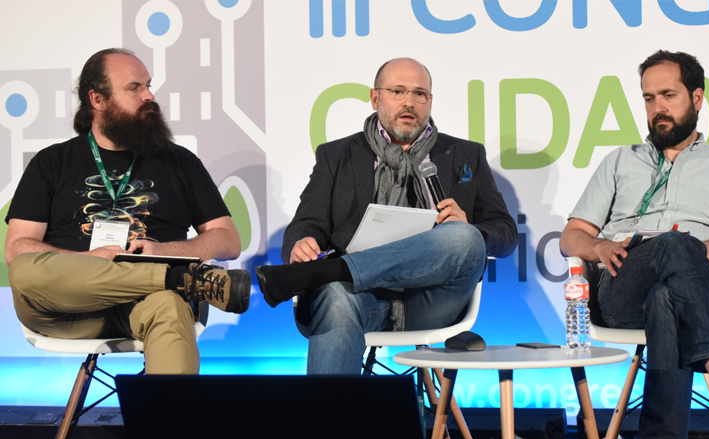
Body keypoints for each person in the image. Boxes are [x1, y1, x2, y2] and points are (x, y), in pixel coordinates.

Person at [560, 50, 709, 439]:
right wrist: (598, 246)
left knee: (666, 296)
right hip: (626, 282)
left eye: (668, 95)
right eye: (649, 98)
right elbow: (571, 237)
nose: (657, 108)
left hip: (705, 288)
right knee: (672, 243)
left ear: (697, 99)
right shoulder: (619, 161)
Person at [255, 57, 517, 374]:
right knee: (336, 296)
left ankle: (330, 272)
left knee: (465, 237)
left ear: (430, 101)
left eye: (420, 94)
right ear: (376, 97)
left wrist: (472, 228)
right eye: (398, 91)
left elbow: (505, 232)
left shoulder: (465, 154)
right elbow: (306, 223)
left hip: (432, 300)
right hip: (359, 298)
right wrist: (300, 244)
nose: (410, 102)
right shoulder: (337, 155)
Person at [5, 48, 250, 375]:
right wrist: (87, 262)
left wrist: (164, 250)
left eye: (148, 85)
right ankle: (176, 279)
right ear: (97, 99)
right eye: (134, 88)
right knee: (23, 269)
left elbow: (228, 239)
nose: (149, 96)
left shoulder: (179, 162)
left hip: (144, 305)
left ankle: (167, 425)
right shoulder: (51, 163)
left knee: (170, 306)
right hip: (68, 310)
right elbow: (17, 247)